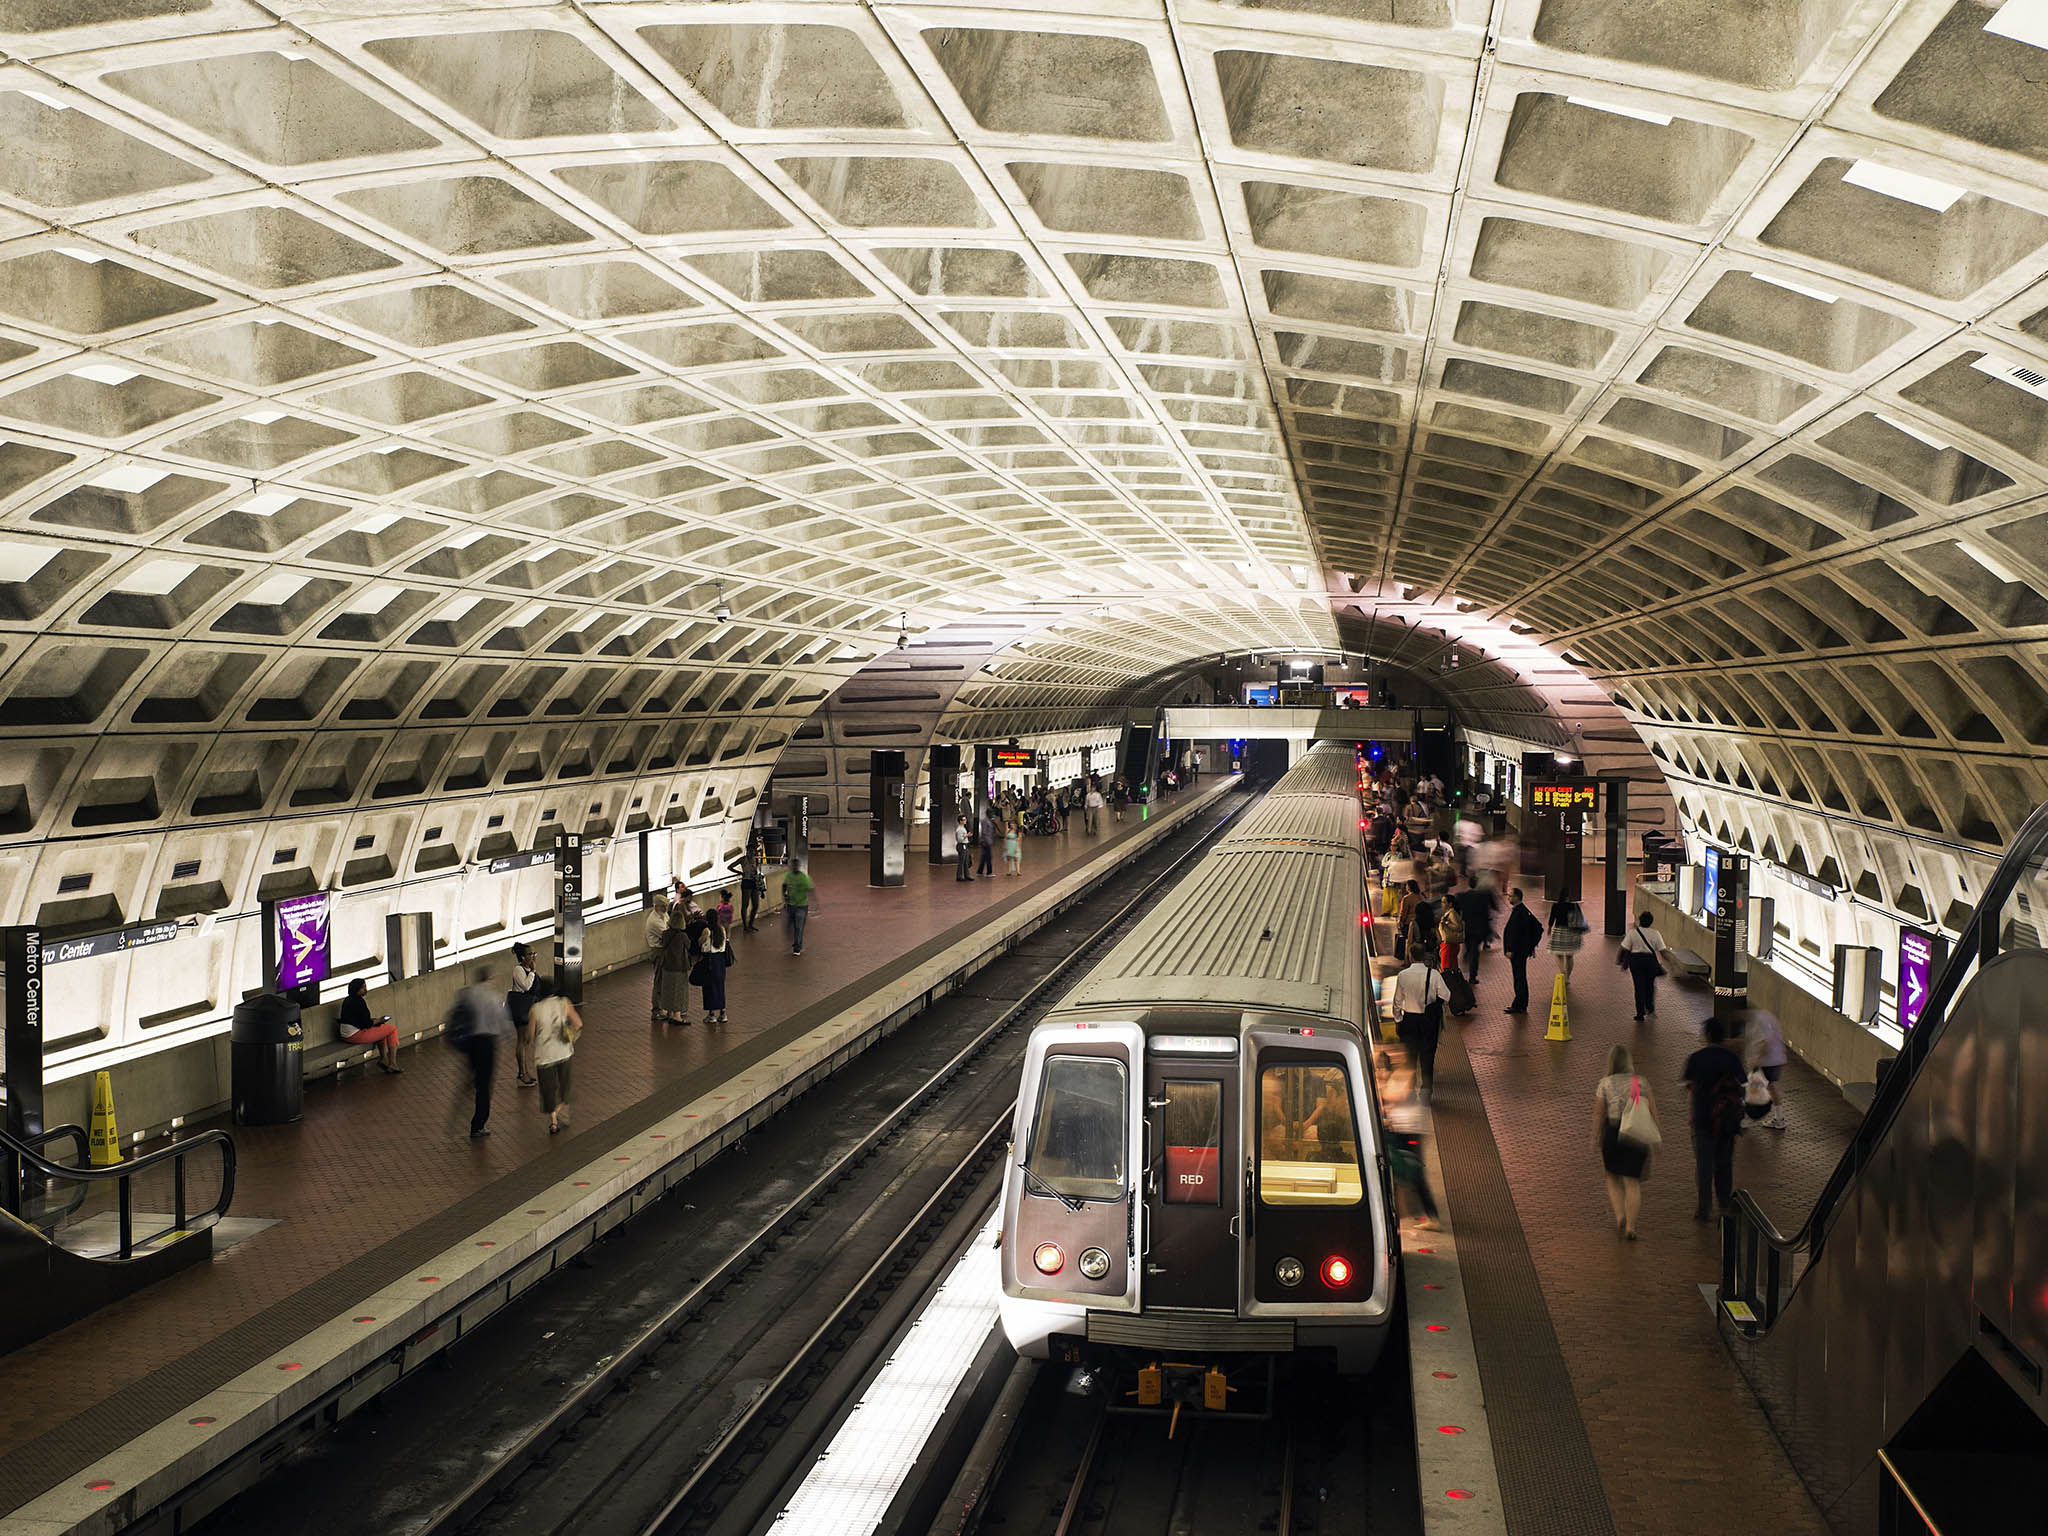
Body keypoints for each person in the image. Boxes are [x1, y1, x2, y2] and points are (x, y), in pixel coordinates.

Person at [1682, 1018, 1748, 1221]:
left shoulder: (1697, 1058)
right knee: (1724, 1163)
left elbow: (1688, 1084)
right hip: (1727, 1120)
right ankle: (1724, 1204)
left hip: (1702, 1119)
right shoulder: (1732, 1058)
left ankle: (1703, 1209)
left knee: (1704, 1166)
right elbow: (1743, 1085)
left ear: (1707, 1036)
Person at [1595, 1045, 1654, 1240]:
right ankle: (1631, 1226)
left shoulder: (1605, 1084)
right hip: (1635, 1133)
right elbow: (1652, 1111)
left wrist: (1595, 1136)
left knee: (1612, 1176)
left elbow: (1599, 1114)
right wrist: (1656, 1136)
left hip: (1613, 1133)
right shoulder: (1640, 1083)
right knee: (1632, 1182)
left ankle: (1620, 1215)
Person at [1377, 1047, 1439, 1229]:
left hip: (1410, 1131)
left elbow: (1397, 1095)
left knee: (1415, 1172)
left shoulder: (1405, 1075)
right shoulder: (1395, 1076)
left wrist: (1383, 1087)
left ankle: (1432, 1216)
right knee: (1400, 1170)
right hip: (1400, 1129)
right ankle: (1406, 1211)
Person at [452, 966, 513, 1140]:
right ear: (490, 978)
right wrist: (508, 1038)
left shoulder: (468, 994)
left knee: (476, 1075)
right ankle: (478, 1124)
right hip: (487, 1043)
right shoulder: (494, 997)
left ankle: (471, 1082)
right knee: (485, 1086)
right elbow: (503, 1021)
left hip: (471, 1041)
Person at [1392, 954, 1452, 1101]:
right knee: (1427, 1057)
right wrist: (1435, 1004)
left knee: (1409, 1057)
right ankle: (1426, 1092)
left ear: (1411, 956)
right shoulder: (1434, 974)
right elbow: (1447, 994)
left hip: (1409, 1020)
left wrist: (1398, 1018)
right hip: (1428, 1021)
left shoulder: (1403, 975)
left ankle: (1410, 1091)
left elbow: (1397, 1001)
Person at [529, 976, 582, 1135]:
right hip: (563, 1051)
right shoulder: (563, 1002)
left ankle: (553, 1121)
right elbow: (578, 1023)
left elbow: (530, 1036)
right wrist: (572, 1034)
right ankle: (561, 1111)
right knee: (565, 1088)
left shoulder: (535, 1009)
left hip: (544, 1055)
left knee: (548, 1090)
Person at [337, 976, 402, 1074]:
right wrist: (379, 1020)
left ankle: (384, 1059)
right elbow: (366, 1024)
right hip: (355, 1035)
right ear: (357, 990)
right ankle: (392, 1063)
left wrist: (375, 1022)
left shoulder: (347, 1000)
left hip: (345, 1034)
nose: (365, 990)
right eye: (363, 987)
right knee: (392, 1030)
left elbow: (357, 1019)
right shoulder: (359, 1002)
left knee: (383, 1030)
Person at [1620, 911, 1669, 1022]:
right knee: (1650, 985)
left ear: (1640, 920)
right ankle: (1650, 1008)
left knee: (1639, 987)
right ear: (1651, 922)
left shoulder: (1633, 933)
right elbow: (1662, 950)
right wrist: (1670, 961)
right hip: (1650, 962)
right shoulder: (1655, 933)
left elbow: (1624, 947)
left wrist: (1620, 959)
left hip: (1636, 962)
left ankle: (1640, 1013)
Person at [1744, 1009, 1789, 1129]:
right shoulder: (1765, 1016)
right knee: (1770, 1087)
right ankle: (1779, 1118)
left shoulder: (1759, 1020)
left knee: (1759, 1087)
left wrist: (1757, 1058)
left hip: (1769, 1061)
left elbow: (1765, 1040)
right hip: (1775, 1058)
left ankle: (1752, 1117)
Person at [1502, 888, 1541, 1013]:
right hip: (1520, 951)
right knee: (1519, 977)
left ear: (1517, 897)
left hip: (1518, 952)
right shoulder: (1521, 911)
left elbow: (1516, 934)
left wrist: (1511, 949)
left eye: (1511, 896)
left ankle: (1520, 1004)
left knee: (1519, 977)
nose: (1509, 898)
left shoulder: (1520, 912)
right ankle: (1519, 1003)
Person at [692, 910, 735, 1025]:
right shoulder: (721, 929)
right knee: (720, 986)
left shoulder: (707, 930)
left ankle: (711, 1014)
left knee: (709, 987)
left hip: (709, 960)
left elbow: (701, 943)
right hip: (720, 960)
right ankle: (723, 1013)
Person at [1453, 876, 1496, 983]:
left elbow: (1456, 909)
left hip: (1466, 927)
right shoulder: (1483, 897)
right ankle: (1472, 976)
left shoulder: (1462, 896)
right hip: (1478, 929)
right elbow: (1486, 913)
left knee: (1469, 947)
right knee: (1475, 951)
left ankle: (1466, 956)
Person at [654, 909, 694, 1025]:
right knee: (679, 990)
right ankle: (677, 1016)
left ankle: (669, 1012)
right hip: (680, 966)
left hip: (667, 965)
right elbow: (689, 946)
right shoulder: (683, 936)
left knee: (668, 989)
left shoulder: (665, 934)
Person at [508, 941, 539, 1088]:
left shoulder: (530, 969)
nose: (533, 956)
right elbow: (525, 986)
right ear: (522, 957)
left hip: (529, 1008)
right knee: (522, 1039)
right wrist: (532, 972)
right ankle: (521, 1074)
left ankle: (525, 1071)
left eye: (534, 953)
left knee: (527, 1039)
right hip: (520, 1008)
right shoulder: (518, 970)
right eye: (530, 954)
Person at [1548, 896, 1587, 983]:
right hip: (1571, 932)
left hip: (1559, 931)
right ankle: (1568, 977)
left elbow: (1552, 918)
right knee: (1569, 956)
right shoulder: (1573, 906)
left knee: (1558, 954)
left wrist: (1549, 928)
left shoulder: (1556, 906)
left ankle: (1562, 971)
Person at [783, 859, 814, 954]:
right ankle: (796, 942)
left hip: (801, 905)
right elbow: (784, 886)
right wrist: (785, 895)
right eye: (793, 865)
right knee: (791, 925)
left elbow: (811, 890)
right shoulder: (788, 876)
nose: (794, 867)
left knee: (799, 927)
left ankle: (797, 947)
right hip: (791, 905)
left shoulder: (804, 877)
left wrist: (814, 904)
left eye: (796, 865)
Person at [735, 837, 764, 933]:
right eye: (750, 851)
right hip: (746, 882)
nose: (752, 853)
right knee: (745, 904)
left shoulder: (755, 860)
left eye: (753, 851)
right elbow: (730, 866)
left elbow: (756, 870)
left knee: (755, 905)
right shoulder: (743, 860)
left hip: (754, 882)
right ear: (747, 851)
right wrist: (740, 873)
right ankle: (745, 925)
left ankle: (751, 924)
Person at [955, 812, 975, 881]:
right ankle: (959, 876)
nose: (965, 821)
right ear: (960, 821)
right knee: (962, 861)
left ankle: (967, 875)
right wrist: (967, 835)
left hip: (965, 845)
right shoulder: (960, 829)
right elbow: (960, 839)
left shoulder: (963, 828)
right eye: (964, 820)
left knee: (966, 861)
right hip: (962, 845)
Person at [977, 804, 996, 877]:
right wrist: (987, 841)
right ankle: (989, 872)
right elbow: (984, 832)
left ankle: (980, 871)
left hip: (987, 840)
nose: (992, 815)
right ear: (988, 813)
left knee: (984, 857)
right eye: (991, 813)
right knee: (988, 857)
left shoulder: (988, 820)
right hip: (986, 841)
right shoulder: (985, 821)